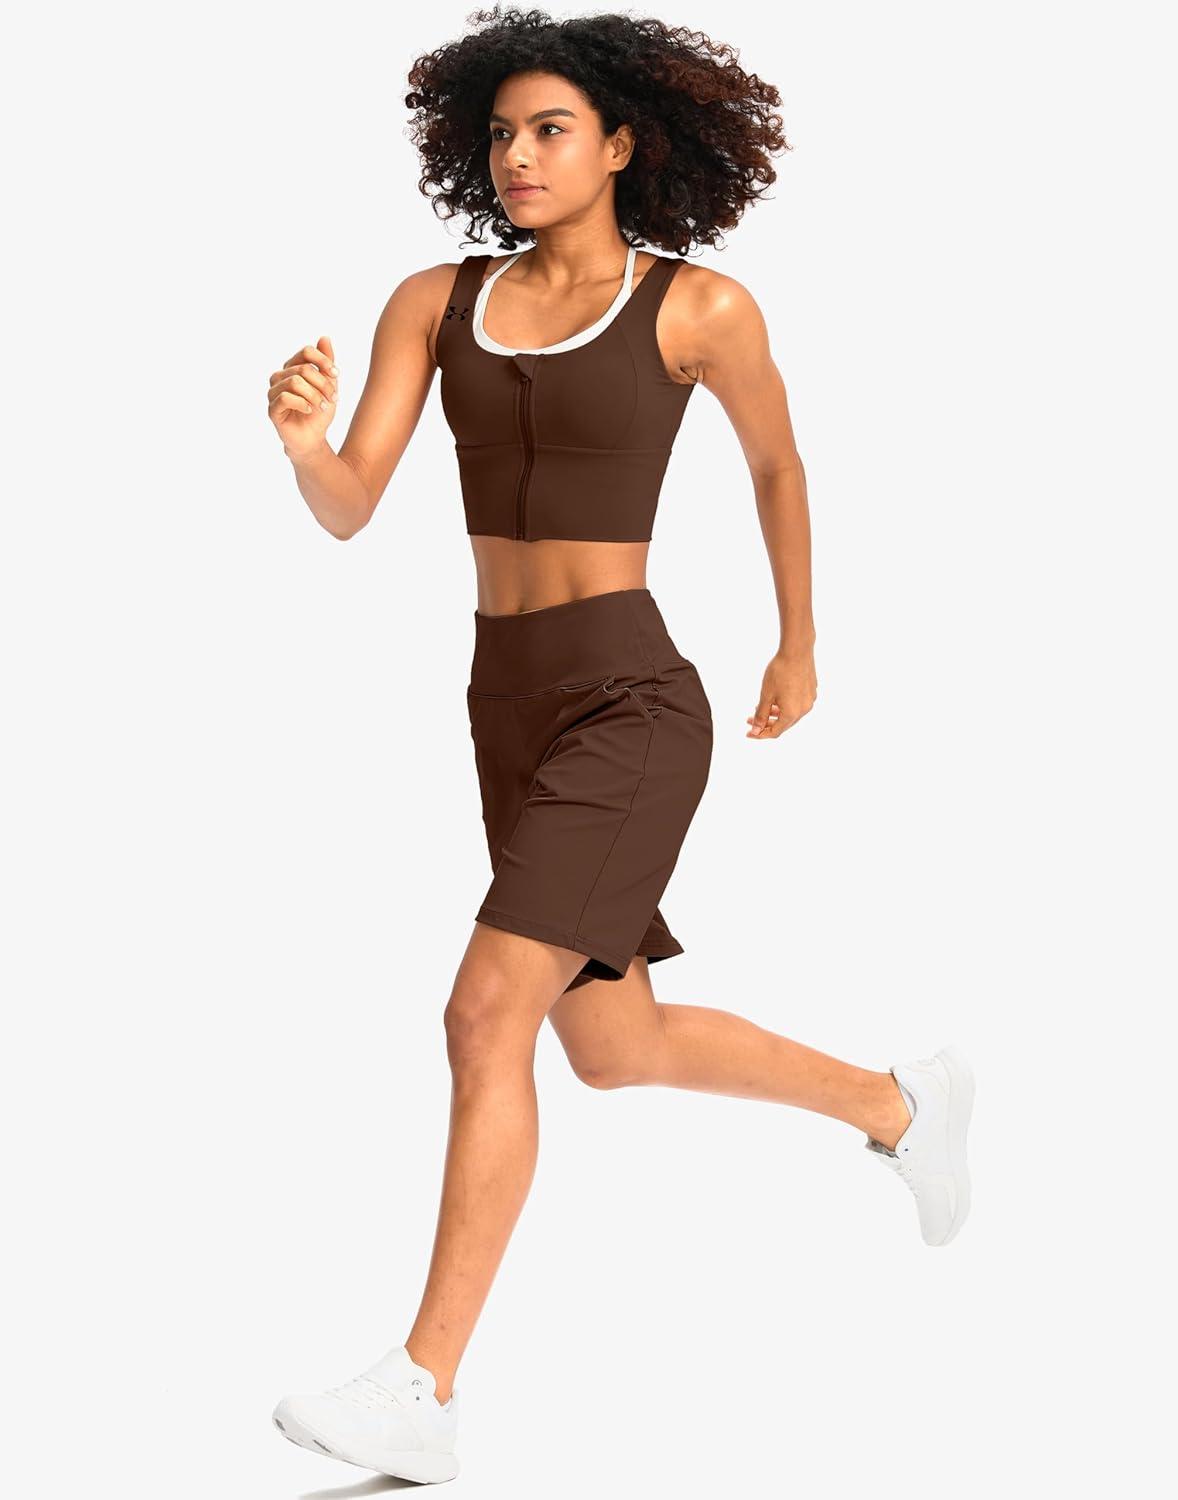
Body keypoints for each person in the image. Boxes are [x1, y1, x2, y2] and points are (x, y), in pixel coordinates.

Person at [265, 9, 974, 1485]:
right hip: (504, 703)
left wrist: (798, 641)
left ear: (623, 145)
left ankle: (421, 1384)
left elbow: (777, 463)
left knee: (483, 1014)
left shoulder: (696, 306)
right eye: (501, 134)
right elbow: (350, 507)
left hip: (630, 703)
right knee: (612, 1044)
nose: (518, 157)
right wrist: (303, 444)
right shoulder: (434, 301)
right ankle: (899, 1103)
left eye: (551, 131)